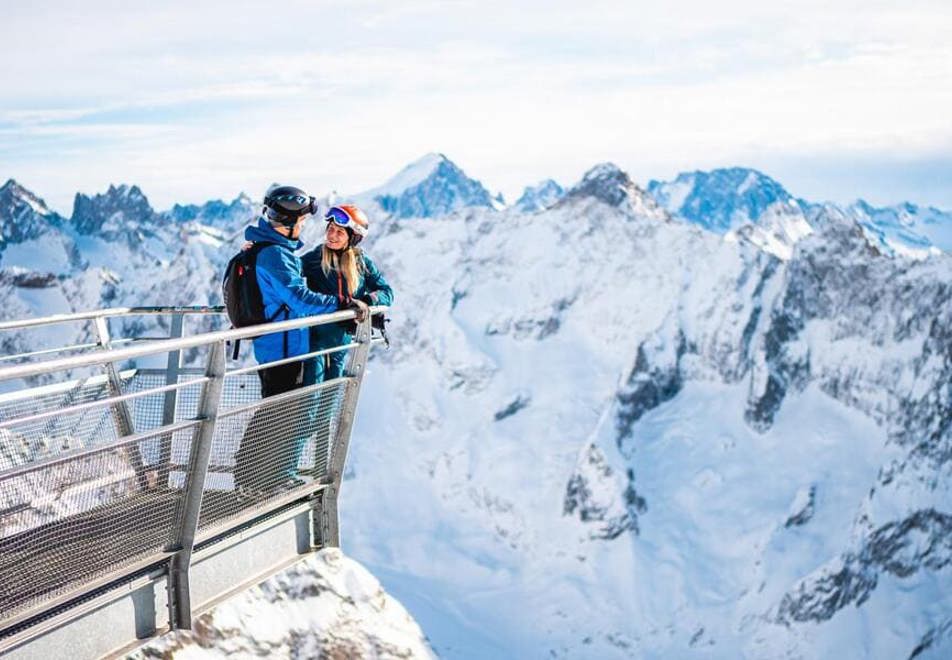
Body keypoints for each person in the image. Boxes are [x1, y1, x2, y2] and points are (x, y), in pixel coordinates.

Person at [233, 186, 366, 498]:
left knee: (276, 413)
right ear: (289, 221)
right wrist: (343, 304)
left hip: (280, 344)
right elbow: (299, 298)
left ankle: (259, 480)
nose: (306, 225)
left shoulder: (266, 248)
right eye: (303, 220)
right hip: (283, 348)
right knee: (276, 416)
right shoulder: (274, 254)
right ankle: (253, 483)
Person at [300, 204, 394, 385]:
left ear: (352, 238)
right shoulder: (316, 257)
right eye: (330, 229)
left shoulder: (362, 263)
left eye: (339, 232)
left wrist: (366, 301)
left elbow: (387, 292)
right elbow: (288, 273)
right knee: (312, 395)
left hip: (343, 340)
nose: (331, 236)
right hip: (316, 338)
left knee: (332, 396)